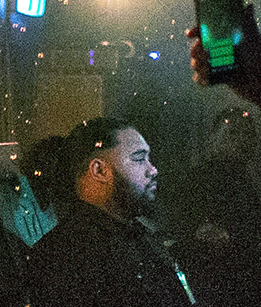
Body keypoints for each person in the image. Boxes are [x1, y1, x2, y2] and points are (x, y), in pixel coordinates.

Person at [26, 117, 198, 307]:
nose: (153, 170)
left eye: (149, 159)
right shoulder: (66, 256)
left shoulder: (137, 237)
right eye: (139, 159)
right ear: (99, 170)